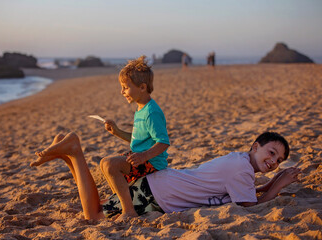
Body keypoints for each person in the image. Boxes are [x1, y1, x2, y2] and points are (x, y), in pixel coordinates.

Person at [31, 131, 301, 220]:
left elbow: (239, 192)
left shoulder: (239, 161)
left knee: (96, 209)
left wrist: (275, 181)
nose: (273, 161)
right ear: (256, 147)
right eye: (271, 152)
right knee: (94, 216)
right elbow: (250, 207)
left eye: (278, 160)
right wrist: (279, 185)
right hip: (156, 195)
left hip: (158, 185)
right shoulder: (243, 171)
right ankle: (75, 153)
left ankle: (67, 154)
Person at [99, 55, 170, 218]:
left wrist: (144, 156)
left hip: (152, 163)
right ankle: (121, 199)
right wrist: (116, 131)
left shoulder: (151, 112)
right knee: (104, 163)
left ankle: (128, 210)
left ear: (142, 87)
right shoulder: (141, 108)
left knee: (111, 165)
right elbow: (139, 140)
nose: (122, 91)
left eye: (125, 87)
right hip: (141, 158)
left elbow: (163, 142)